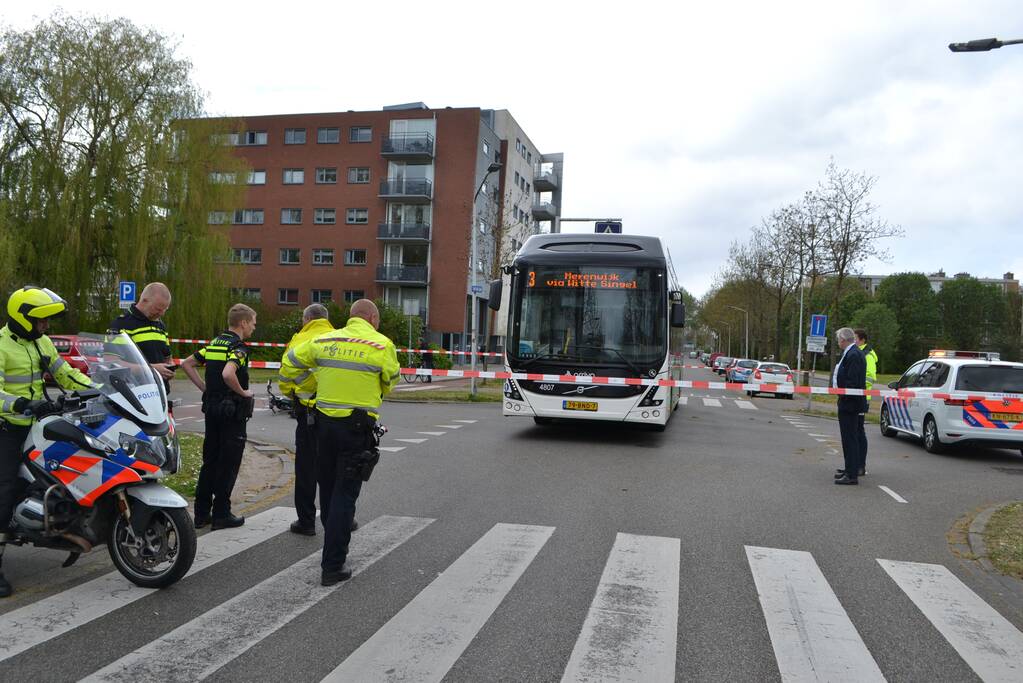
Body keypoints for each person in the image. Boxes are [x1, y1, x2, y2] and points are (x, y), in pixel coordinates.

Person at [282, 299, 399, 586]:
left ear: (351, 317)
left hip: (323, 425)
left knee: (329, 487)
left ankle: (331, 539)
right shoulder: (381, 344)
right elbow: (391, 381)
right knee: (345, 496)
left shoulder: (325, 339)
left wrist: (309, 388)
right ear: (372, 318)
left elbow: (289, 366)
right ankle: (333, 565)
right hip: (356, 428)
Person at [0, 286, 94, 598]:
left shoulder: (42, 344)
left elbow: (65, 374)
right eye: (41, 320)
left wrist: (100, 390)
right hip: (8, 427)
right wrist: (20, 405)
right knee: (5, 489)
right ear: (24, 317)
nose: (46, 326)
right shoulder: (1, 345)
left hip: (39, 424)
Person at [181, 304, 257, 530]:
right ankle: (222, 513)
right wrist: (242, 392)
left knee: (210, 461)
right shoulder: (239, 347)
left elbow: (187, 363)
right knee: (229, 462)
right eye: (253, 322)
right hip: (232, 413)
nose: (254, 326)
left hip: (211, 410)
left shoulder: (215, 343)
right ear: (243, 323)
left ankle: (202, 514)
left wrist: (206, 388)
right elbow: (228, 373)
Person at [278, 304, 334, 536]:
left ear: (306, 319)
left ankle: (306, 521)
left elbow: (285, 375)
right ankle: (339, 518)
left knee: (306, 468)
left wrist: (292, 392)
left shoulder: (299, 340)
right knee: (335, 468)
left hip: (307, 410)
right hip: (335, 413)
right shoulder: (337, 338)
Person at [109, 282, 175, 389]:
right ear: (144, 300)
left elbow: (167, 358)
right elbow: (111, 363)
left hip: (160, 393)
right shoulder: (121, 324)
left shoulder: (160, 325)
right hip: (134, 394)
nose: (161, 314)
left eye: (164, 310)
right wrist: (151, 369)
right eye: (158, 309)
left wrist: (169, 369)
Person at [833, 327, 868, 485]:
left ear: (843, 339)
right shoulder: (851, 352)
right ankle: (849, 468)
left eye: (838, 339)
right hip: (849, 402)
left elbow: (852, 382)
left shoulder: (853, 354)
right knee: (848, 438)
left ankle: (852, 474)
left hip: (850, 404)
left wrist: (844, 397)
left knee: (850, 438)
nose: (838, 342)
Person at [853, 329, 878, 477]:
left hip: (862, 398)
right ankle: (854, 464)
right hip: (857, 396)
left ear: (862, 340)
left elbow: (870, 377)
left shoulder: (867, 355)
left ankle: (860, 465)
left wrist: (858, 389)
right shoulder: (859, 352)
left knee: (859, 432)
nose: (853, 341)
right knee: (855, 431)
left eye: (855, 338)